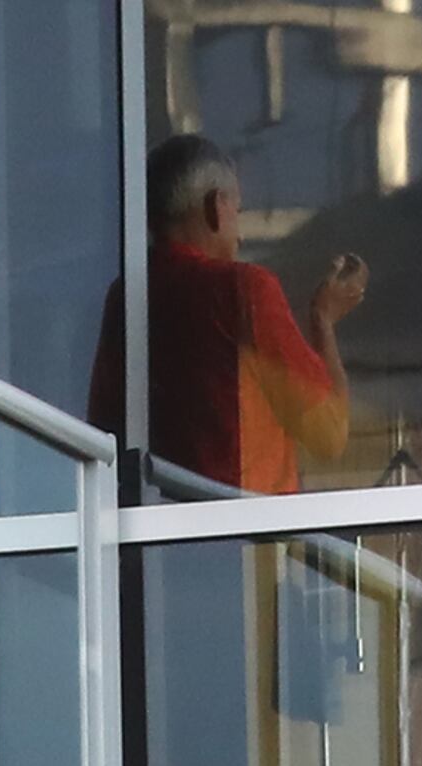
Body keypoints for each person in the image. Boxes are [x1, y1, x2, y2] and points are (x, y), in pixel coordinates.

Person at [86, 136, 364, 497]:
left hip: (156, 533)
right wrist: (323, 322)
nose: (241, 235)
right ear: (216, 207)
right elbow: (329, 434)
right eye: (238, 210)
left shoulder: (123, 300)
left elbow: (104, 432)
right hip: (240, 533)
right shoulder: (242, 290)